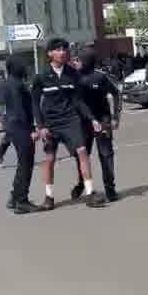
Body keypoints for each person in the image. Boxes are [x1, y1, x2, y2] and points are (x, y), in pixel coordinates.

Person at [31, 37, 104, 209]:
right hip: (51, 123)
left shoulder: (73, 74)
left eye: (64, 49)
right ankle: (48, 197)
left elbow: (79, 101)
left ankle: (89, 193)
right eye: (58, 49)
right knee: (49, 159)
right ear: (50, 53)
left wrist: (92, 119)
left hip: (71, 120)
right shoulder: (41, 76)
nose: (62, 52)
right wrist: (40, 127)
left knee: (82, 152)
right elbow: (34, 102)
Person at [73, 49, 121, 202]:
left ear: (87, 61)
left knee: (106, 155)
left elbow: (116, 93)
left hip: (102, 120)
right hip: (83, 121)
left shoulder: (100, 77)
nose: (77, 62)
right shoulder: (75, 77)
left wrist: (115, 116)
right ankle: (82, 184)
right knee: (82, 156)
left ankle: (110, 188)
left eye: (79, 60)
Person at [2, 58, 38, 214]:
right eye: (22, 65)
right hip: (21, 128)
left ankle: (15, 197)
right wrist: (31, 129)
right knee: (26, 164)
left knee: (22, 164)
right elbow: (20, 110)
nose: (24, 67)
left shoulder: (10, 82)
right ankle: (22, 201)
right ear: (15, 67)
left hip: (13, 127)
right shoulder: (16, 84)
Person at [0, 67, 11, 166]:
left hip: (2, 105)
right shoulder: (7, 82)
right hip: (8, 106)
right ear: (3, 74)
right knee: (9, 134)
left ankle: (0, 155)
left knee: (8, 134)